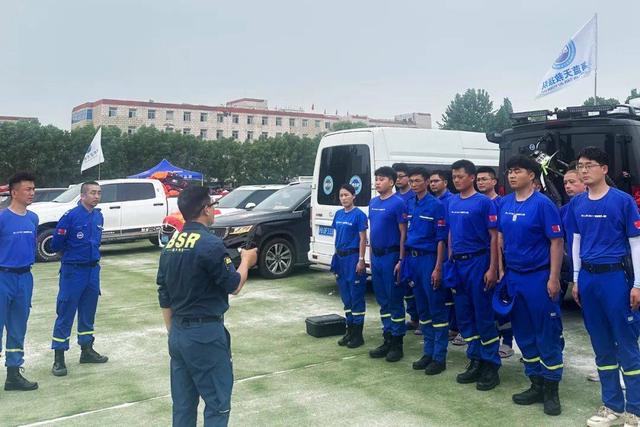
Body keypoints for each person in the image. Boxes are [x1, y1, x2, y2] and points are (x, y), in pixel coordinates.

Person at [157, 185, 258, 426]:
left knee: (183, 407)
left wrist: (174, 331)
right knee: (217, 404)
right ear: (205, 209)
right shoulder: (210, 244)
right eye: (213, 205)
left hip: (178, 332)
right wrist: (246, 261)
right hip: (205, 334)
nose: (214, 209)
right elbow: (233, 285)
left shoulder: (171, 244)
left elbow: (164, 292)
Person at [568, 147, 640, 427]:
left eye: (590, 165)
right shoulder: (577, 203)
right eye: (580, 165)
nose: (584, 170)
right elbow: (576, 242)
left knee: (626, 343)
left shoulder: (622, 201)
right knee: (601, 344)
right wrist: (576, 279)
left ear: (605, 169)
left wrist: (637, 284)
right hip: (588, 278)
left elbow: (636, 244)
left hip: (615, 278)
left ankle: (635, 410)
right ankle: (612, 405)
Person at [497, 155, 564, 416]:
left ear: (532, 175)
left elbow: (556, 242)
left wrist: (554, 278)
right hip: (514, 277)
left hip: (538, 277)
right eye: (510, 171)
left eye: (518, 171)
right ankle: (535, 383)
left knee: (546, 332)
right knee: (523, 332)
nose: (512, 175)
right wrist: (502, 270)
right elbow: (500, 236)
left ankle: (551, 390)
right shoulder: (504, 203)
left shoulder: (543, 204)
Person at [447, 159, 501, 391]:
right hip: (457, 265)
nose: (457, 180)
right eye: (454, 177)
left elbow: (494, 237)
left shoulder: (484, 203)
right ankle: (475, 359)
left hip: (478, 262)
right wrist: (450, 258)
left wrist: (493, 268)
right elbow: (451, 232)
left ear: (471, 177)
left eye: (460, 176)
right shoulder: (451, 201)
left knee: (483, 314)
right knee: (464, 315)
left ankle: (491, 365)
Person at [50, 181, 109, 376]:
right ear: (82, 196)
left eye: (99, 193)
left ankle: (87, 350)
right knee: (66, 312)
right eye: (92, 193)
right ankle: (59, 357)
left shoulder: (98, 215)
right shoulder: (70, 216)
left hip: (92, 271)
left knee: (88, 312)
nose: (96, 196)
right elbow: (56, 244)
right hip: (73, 271)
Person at [403, 167, 448, 375]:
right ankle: (428, 352)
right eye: (411, 181)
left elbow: (441, 240)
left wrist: (438, 267)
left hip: (429, 260)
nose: (413, 184)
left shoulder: (436, 205)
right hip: (413, 260)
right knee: (422, 309)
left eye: (417, 181)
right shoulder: (409, 203)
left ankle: (439, 356)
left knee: (436, 307)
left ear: (427, 182)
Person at [0, 172, 39, 391]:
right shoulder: (2, 218)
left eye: (33, 189)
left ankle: (13, 375)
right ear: (14, 193)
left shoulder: (33, 218)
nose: (32, 193)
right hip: (2, 277)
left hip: (24, 278)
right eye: (27, 189)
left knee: (17, 328)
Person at [368, 166, 408, 362]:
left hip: (391, 257)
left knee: (394, 300)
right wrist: (369, 256)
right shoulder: (373, 202)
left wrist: (401, 259)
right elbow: (372, 231)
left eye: (382, 179)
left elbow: (403, 234)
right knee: (382, 300)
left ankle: (397, 343)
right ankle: (387, 337)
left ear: (392, 182)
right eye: (376, 179)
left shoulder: (398, 203)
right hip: (376, 257)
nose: (378, 182)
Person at [477, 166, 513, 359]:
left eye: (485, 179)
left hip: (499, 260)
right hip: (479, 260)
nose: (481, 182)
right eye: (478, 179)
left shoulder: (502, 203)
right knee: (484, 302)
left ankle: (507, 341)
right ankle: (487, 338)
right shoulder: (475, 202)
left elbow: (500, 236)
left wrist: (499, 266)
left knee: (502, 301)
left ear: (494, 181)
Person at [331, 184, 368, 348]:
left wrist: (361, 259)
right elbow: (337, 236)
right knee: (345, 296)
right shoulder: (338, 214)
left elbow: (363, 239)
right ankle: (350, 331)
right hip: (340, 258)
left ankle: (358, 335)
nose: (344, 198)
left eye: (346, 195)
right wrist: (335, 257)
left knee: (356, 296)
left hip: (353, 258)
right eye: (341, 195)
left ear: (353, 196)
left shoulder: (359, 215)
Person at [429, 171, 460, 344]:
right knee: (442, 293)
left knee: (454, 292)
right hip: (436, 252)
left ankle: (456, 327)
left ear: (445, 182)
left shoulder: (451, 201)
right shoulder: (433, 201)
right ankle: (448, 326)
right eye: (431, 181)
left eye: (436, 181)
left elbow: (450, 230)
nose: (433, 184)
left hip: (449, 252)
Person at [393, 163, 419, 332]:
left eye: (401, 176)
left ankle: (422, 318)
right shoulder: (394, 197)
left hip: (412, 247)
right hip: (397, 247)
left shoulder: (414, 197)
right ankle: (413, 317)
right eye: (395, 176)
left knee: (415, 285)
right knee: (404, 286)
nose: (398, 179)